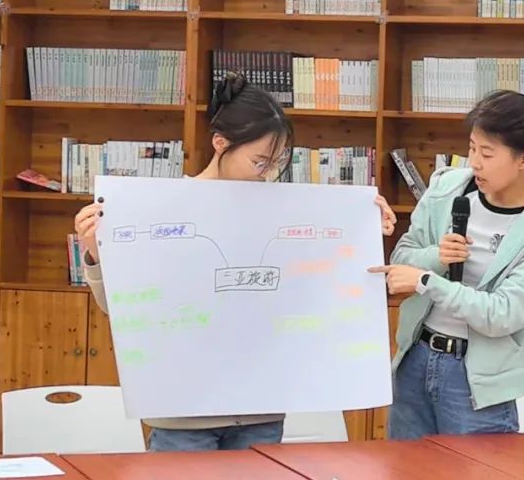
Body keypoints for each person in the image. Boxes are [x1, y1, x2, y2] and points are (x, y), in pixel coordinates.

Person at [73, 74, 397, 451]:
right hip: (183, 412)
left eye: (276, 162)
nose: (267, 173)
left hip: (260, 410)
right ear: (220, 143)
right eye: (259, 161)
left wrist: (363, 233)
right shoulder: (161, 209)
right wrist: (96, 254)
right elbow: (122, 308)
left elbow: (318, 290)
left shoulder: (286, 213)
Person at [368, 90, 524, 439]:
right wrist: (436, 257)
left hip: (479, 384)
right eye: (472, 148)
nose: (474, 162)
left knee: (477, 466)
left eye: (487, 153)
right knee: (403, 466)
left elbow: (502, 314)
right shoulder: (447, 189)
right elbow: (402, 258)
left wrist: (428, 281)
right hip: (415, 360)